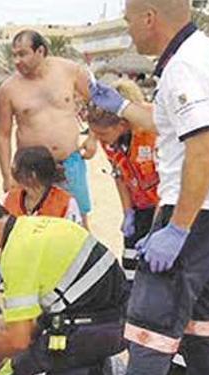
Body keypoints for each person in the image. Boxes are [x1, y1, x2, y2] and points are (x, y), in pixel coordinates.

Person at [73, 0, 209, 375]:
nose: (129, 29)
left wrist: (177, 227)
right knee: (205, 317)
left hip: (197, 208)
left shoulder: (185, 67)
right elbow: (170, 123)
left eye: (129, 19)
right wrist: (126, 108)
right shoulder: (203, 52)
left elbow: (203, 150)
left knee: (151, 324)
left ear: (150, 17)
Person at [0, 191, 126, 375]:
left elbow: (18, 341)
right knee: (31, 351)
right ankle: (94, 361)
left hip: (99, 327)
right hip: (113, 312)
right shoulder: (33, 226)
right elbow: (41, 313)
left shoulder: (16, 255)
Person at [0, 30, 96, 226]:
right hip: (30, 169)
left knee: (78, 222)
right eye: (14, 55)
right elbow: (3, 135)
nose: (17, 60)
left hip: (69, 161)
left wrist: (93, 137)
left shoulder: (70, 71)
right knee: (32, 224)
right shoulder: (7, 89)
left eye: (22, 54)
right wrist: (7, 175)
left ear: (40, 51)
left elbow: (97, 102)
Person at [87, 79, 160, 285]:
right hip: (138, 207)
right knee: (130, 264)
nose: (101, 139)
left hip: (163, 207)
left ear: (121, 124)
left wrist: (156, 228)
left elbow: (168, 186)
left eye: (102, 134)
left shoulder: (153, 133)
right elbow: (119, 175)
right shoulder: (110, 140)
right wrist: (128, 211)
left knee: (156, 267)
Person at [3, 146, 83, 223]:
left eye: (17, 171)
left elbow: (75, 233)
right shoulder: (10, 198)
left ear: (32, 176)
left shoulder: (66, 203)